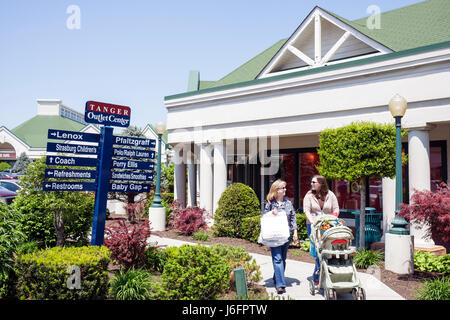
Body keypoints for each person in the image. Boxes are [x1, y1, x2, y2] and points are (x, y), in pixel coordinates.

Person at [263, 179, 298, 294]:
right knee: (277, 259)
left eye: (285, 188)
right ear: (277, 190)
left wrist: (295, 232)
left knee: (282, 259)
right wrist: (271, 214)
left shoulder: (288, 203)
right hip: (274, 236)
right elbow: (264, 218)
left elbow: (293, 217)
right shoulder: (270, 204)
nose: (285, 190)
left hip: (285, 236)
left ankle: (276, 277)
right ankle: (280, 285)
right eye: (283, 188)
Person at [303, 175, 339, 285]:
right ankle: (319, 276)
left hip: (328, 226)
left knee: (327, 250)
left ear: (321, 184)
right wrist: (313, 222)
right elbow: (306, 210)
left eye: (314, 182)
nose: (312, 184)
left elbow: (336, 209)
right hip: (314, 226)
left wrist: (333, 218)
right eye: (311, 182)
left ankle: (319, 275)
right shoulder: (309, 196)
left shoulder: (330, 195)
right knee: (318, 251)